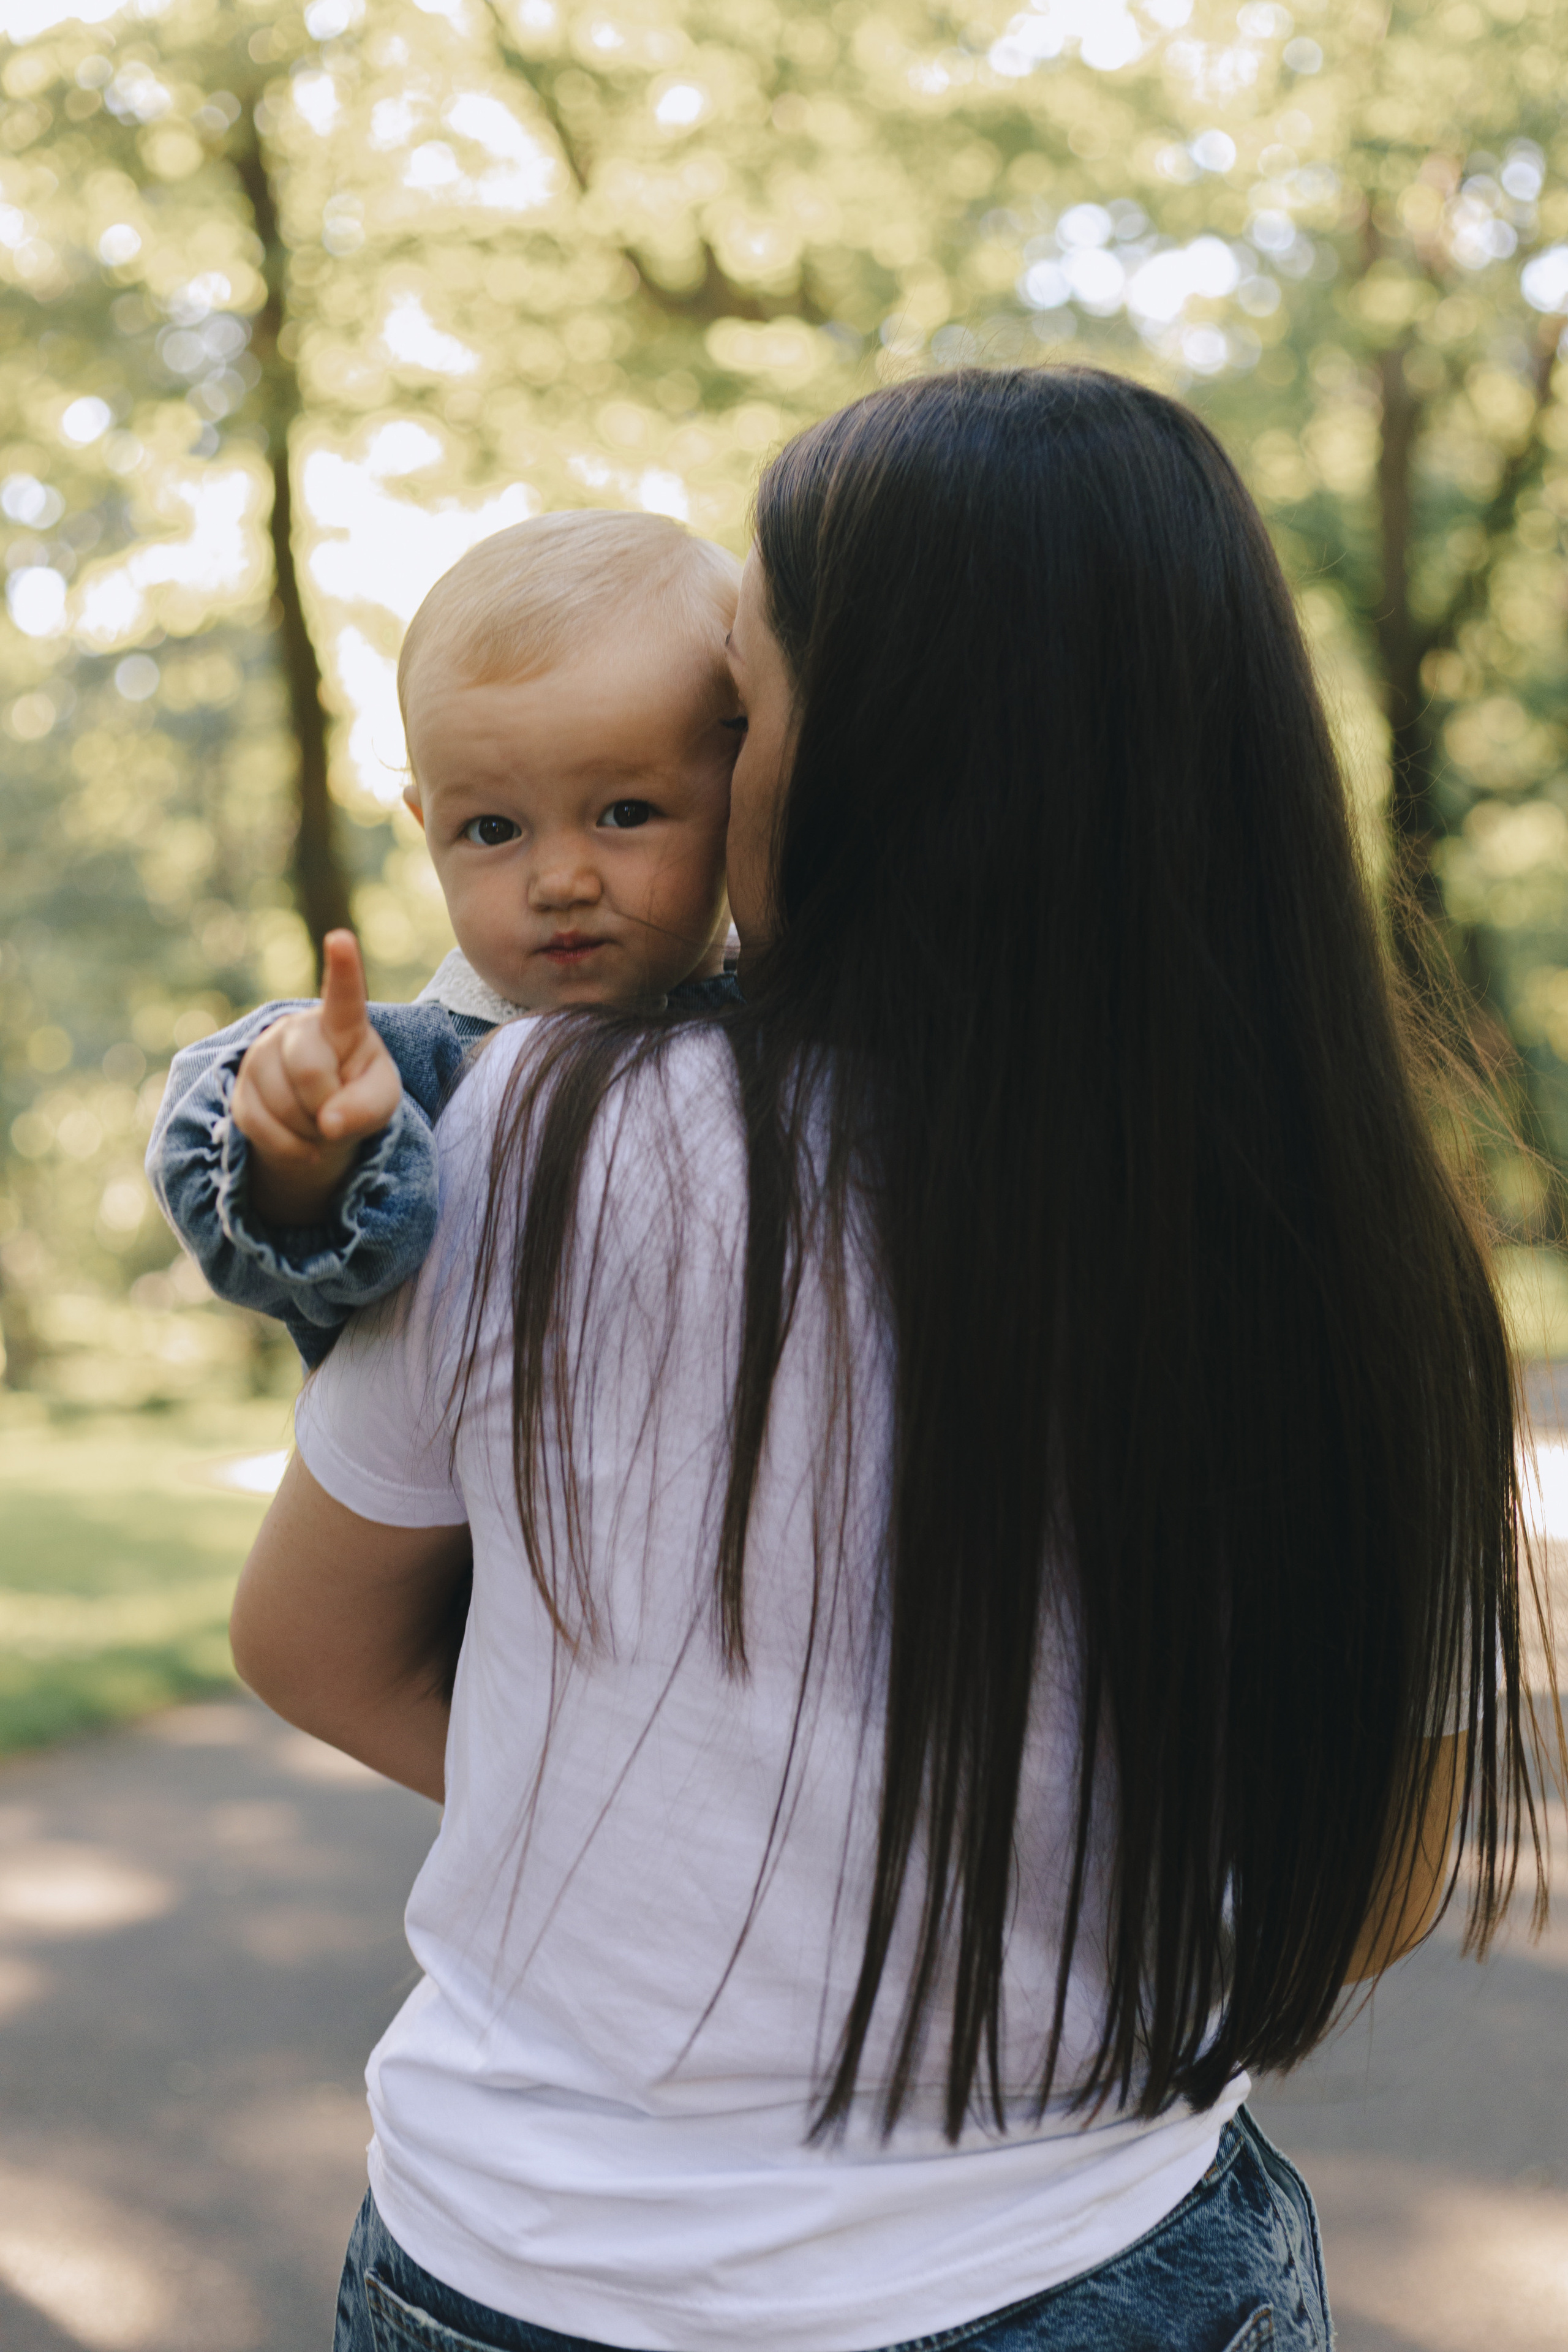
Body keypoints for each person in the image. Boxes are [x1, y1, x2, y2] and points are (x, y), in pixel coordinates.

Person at [231, 366, 1554, 2352]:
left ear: (875, 754)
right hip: (1066, 2262)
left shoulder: (552, 1137)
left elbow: (313, 1641)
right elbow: (1369, 1861)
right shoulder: (1358, 1237)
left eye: (733, 712)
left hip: (512, 2262)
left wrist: (683, 1885)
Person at [146, 508, 742, 1365]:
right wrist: (303, 1158)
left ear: (741, 795)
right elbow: (286, 1237)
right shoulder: (423, 1068)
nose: (561, 881)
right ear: (428, 828)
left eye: (625, 813)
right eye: (495, 829)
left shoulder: (799, 1014)